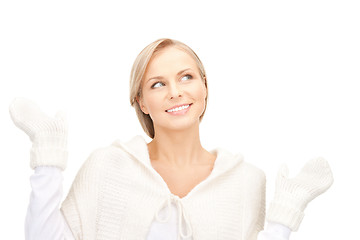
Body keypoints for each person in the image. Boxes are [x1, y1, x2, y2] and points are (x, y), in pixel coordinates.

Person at [9, 38, 334, 240]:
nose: (176, 91)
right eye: (157, 84)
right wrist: (48, 161)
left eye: (186, 77)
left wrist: (284, 217)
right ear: (141, 101)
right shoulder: (107, 165)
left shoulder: (247, 181)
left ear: (204, 86)